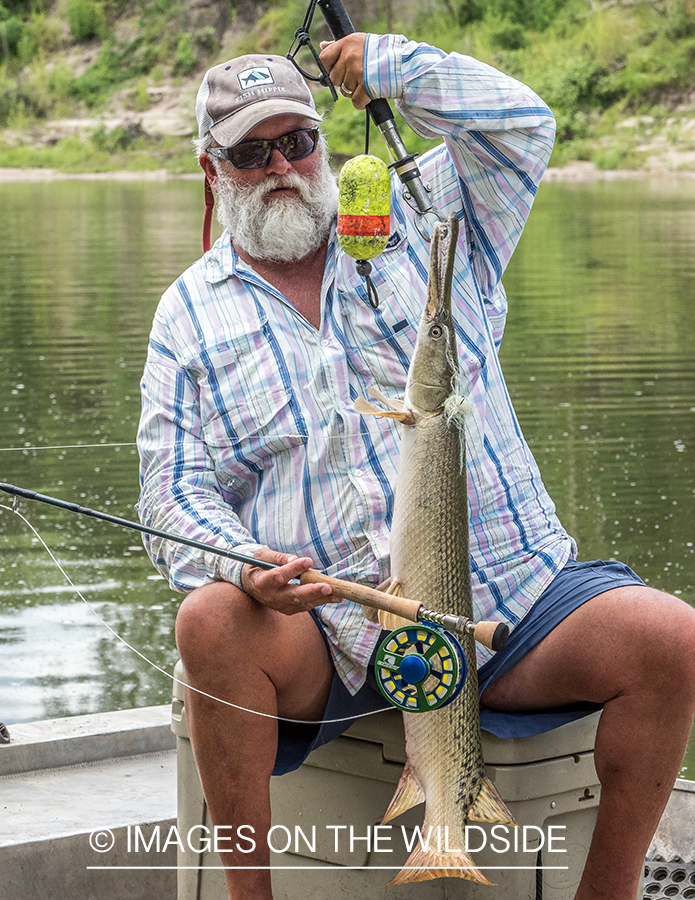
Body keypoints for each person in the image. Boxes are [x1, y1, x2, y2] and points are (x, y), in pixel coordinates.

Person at [136, 31, 695, 900]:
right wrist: (248, 568)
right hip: (331, 626)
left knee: (670, 640)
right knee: (210, 619)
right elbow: (171, 495)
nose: (280, 164)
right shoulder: (186, 315)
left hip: (506, 600)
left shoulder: (428, 220)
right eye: (250, 152)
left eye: (296, 140)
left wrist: (391, 67)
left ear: (322, 143)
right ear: (213, 172)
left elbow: (523, 126)